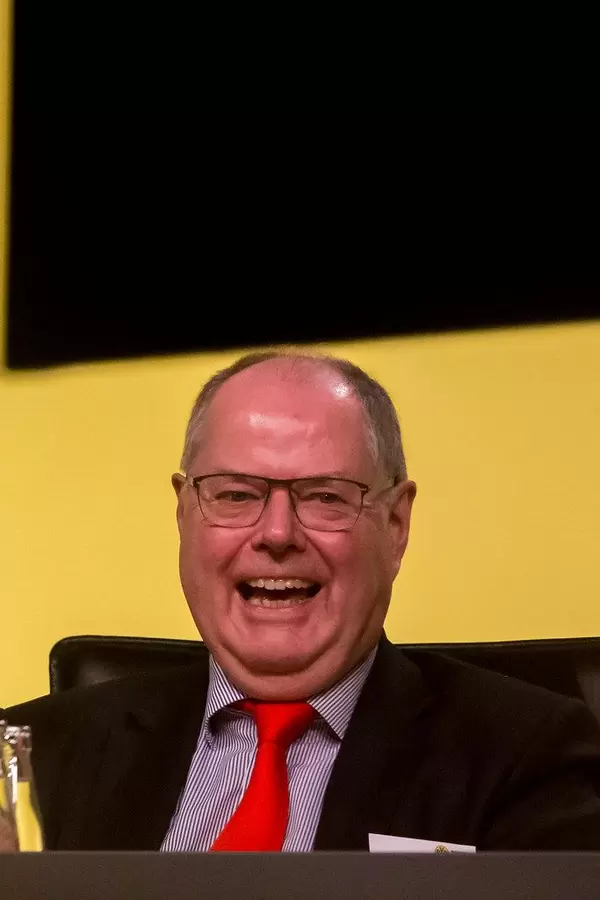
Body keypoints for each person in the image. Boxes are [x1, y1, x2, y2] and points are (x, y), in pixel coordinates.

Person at [3, 350, 600, 851]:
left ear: (395, 524)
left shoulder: (530, 757)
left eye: (326, 497)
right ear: (184, 513)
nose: (279, 534)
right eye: (236, 495)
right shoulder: (35, 756)